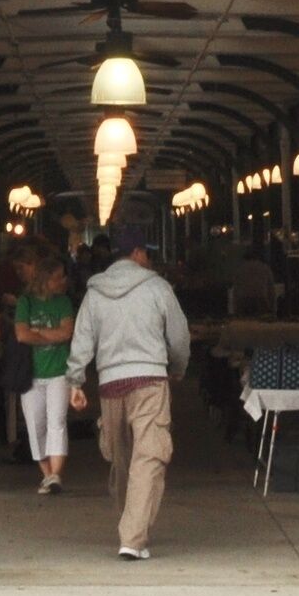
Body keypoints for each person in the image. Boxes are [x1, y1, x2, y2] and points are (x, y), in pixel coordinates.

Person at [64, 224, 191, 560]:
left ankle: (129, 529)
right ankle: (133, 538)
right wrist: (178, 367)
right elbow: (179, 336)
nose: (149, 259)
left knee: (121, 459)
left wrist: (75, 380)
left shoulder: (95, 293)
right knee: (149, 455)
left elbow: (82, 339)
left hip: (110, 383)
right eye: (147, 253)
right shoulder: (158, 288)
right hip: (149, 379)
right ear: (137, 254)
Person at [7, 244, 78, 496]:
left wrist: (37, 334)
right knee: (35, 423)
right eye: (59, 277)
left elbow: (67, 333)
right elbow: (21, 335)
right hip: (31, 373)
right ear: (47, 280)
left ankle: (55, 474)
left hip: (59, 371)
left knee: (57, 421)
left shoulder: (64, 302)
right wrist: (52, 336)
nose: (64, 281)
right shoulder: (26, 302)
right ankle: (48, 475)